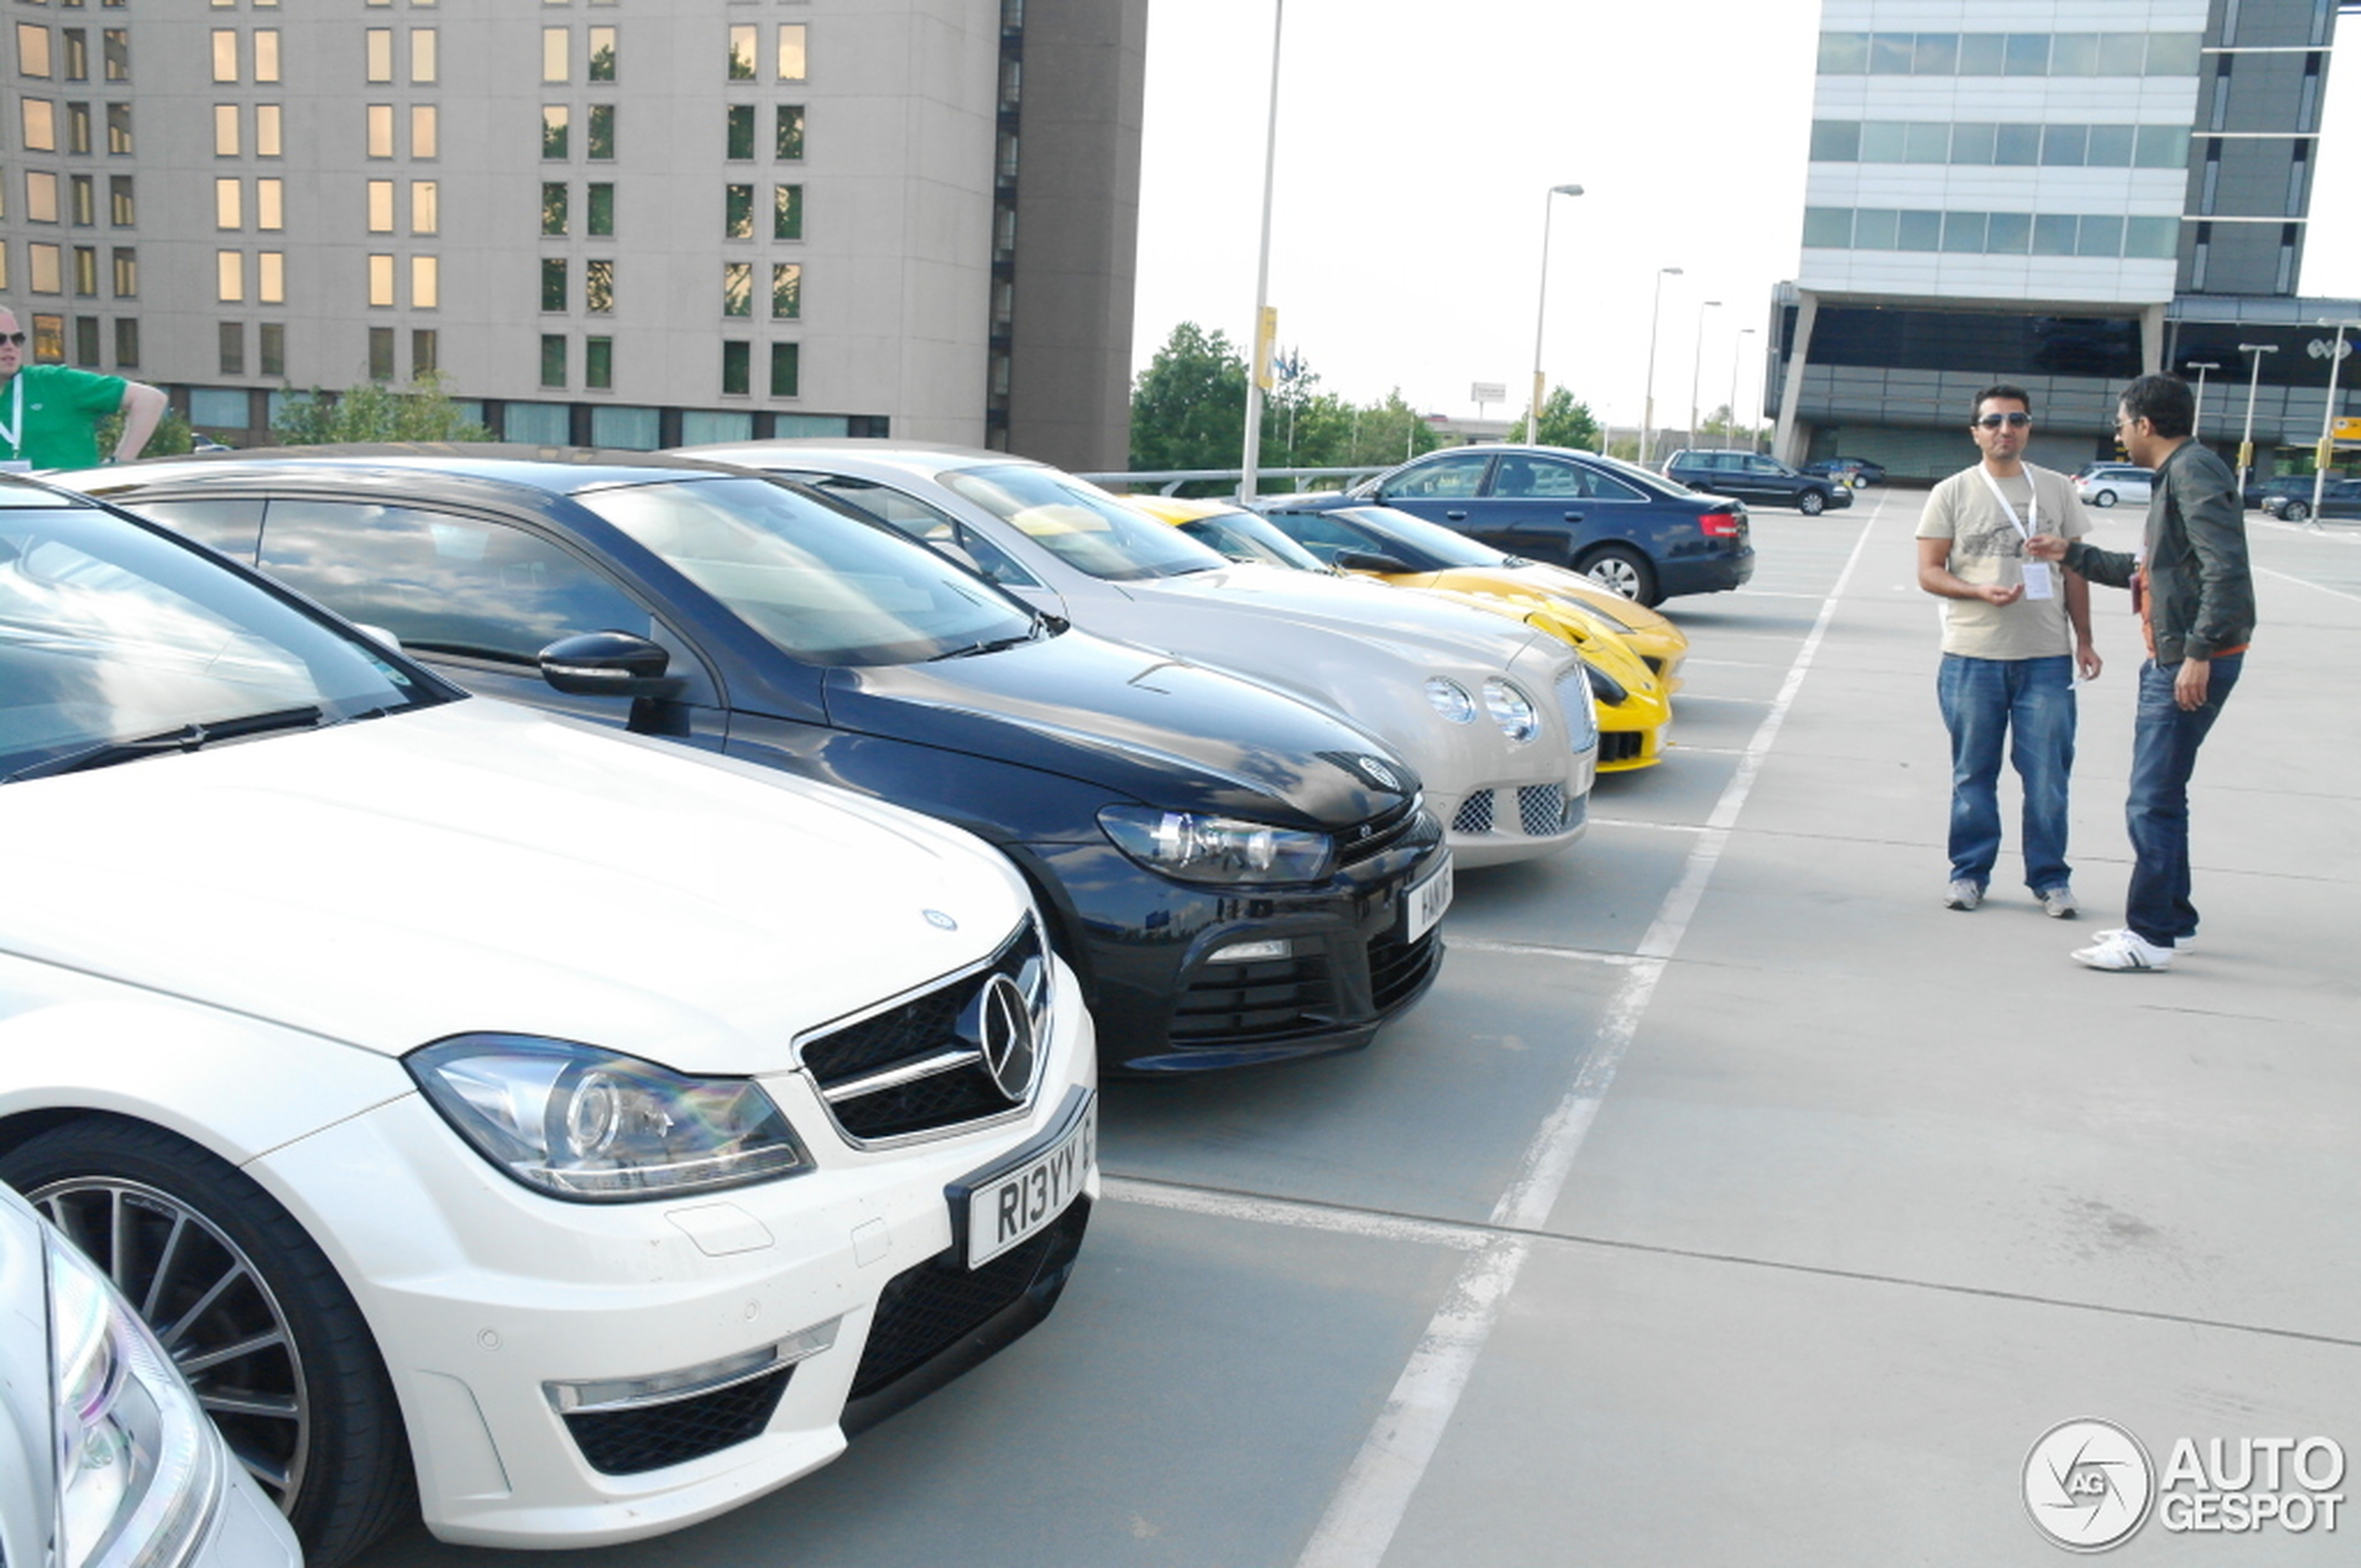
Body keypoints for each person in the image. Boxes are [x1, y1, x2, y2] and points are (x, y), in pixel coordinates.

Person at [2027, 373, 2255, 972]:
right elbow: (2153, 569)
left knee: (2149, 800)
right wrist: (2069, 553)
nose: (2120, 433)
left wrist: (2197, 654)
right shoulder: (2180, 473)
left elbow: (2224, 569)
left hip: (2189, 660)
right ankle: (2173, 922)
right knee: (2164, 796)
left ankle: (2148, 935)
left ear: (2145, 425)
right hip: (2178, 654)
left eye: (2122, 423)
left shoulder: (2193, 472)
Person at [1916, 384, 2100, 917]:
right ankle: (1968, 874)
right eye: (1993, 421)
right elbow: (1928, 572)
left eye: (2015, 420)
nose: (2005, 430)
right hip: (1972, 655)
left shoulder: (2056, 490)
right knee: (1973, 774)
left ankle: (2050, 879)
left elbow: (2076, 568)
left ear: (2029, 428)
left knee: (2047, 776)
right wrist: (1976, 591)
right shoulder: (1951, 492)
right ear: (1975, 431)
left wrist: (2084, 638)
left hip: (2045, 656)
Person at [0, 306, 166, 470]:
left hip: (67, 495)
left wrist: (120, 462)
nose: (10, 346)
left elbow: (150, 399)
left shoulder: (55, 381)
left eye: (17, 339)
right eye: (1, 339)